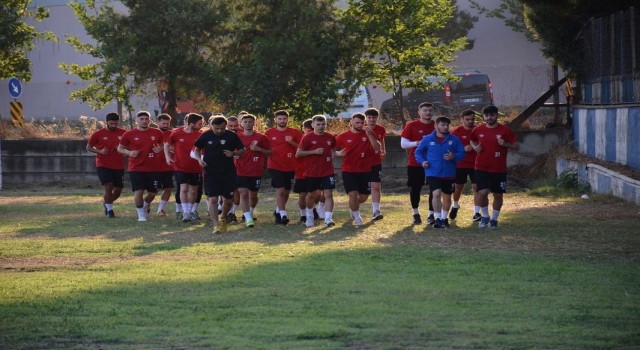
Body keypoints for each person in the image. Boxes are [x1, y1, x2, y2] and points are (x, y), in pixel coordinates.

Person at [470, 105, 520, 228]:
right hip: (481, 167)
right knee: (483, 192)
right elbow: (472, 140)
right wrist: (475, 147)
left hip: (499, 168)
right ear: (483, 117)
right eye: (487, 115)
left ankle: (494, 219)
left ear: (497, 115)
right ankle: (485, 217)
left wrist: (505, 144)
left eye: (492, 115)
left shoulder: (505, 131)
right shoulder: (478, 130)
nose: (489, 117)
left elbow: (516, 146)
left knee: (498, 195)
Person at [193, 115, 245, 234]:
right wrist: (199, 160)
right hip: (211, 172)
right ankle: (215, 225)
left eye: (222, 128)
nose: (219, 131)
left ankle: (223, 218)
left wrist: (233, 153)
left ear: (225, 126)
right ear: (212, 126)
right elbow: (196, 149)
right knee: (213, 199)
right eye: (217, 128)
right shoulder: (206, 135)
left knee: (228, 200)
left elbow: (243, 149)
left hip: (228, 172)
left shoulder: (232, 136)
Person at [415, 116, 465, 228]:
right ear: (436, 126)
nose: (445, 127)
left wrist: (454, 156)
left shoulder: (454, 139)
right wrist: (422, 162)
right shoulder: (427, 139)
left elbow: (461, 153)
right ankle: (437, 218)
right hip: (433, 172)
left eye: (447, 125)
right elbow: (418, 152)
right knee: (436, 194)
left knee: (447, 197)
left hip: (449, 172)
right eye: (442, 125)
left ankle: (444, 218)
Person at [117, 111, 165, 222]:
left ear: (150, 120)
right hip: (136, 167)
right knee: (139, 190)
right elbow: (120, 148)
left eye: (146, 119)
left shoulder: (157, 132)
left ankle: (145, 204)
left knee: (153, 192)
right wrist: (129, 153)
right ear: (136, 121)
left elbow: (162, 145)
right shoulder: (129, 134)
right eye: (141, 119)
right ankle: (141, 215)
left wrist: (159, 149)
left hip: (153, 168)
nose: (144, 121)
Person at [335, 113, 381, 226]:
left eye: (362, 122)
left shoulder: (369, 133)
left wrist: (369, 134)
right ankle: (357, 217)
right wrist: (338, 153)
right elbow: (330, 150)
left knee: (364, 197)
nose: (360, 125)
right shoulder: (343, 136)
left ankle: (353, 206)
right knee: (353, 194)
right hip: (348, 170)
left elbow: (377, 147)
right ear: (351, 122)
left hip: (365, 170)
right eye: (357, 122)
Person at [296, 115, 337, 227]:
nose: (321, 126)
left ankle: (328, 219)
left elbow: (333, 149)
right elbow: (298, 154)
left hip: (327, 171)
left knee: (328, 194)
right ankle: (309, 216)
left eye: (323, 124)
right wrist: (314, 152)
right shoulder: (307, 138)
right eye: (318, 124)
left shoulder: (330, 137)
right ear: (313, 125)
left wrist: (333, 154)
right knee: (311, 195)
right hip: (312, 172)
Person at [400, 102, 436, 225]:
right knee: (416, 189)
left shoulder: (437, 125)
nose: (428, 112)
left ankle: (431, 215)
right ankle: (415, 213)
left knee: (434, 189)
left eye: (430, 110)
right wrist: (417, 143)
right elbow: (403, 144)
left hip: (434, 163)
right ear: (419, 112)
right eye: (425, 110)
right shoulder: (412, 125)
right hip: (415, 163)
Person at [165, 113, 204, 223]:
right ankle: (186, 212)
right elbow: (166, 145)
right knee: (184, 188)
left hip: (196, 167)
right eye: (200, 123)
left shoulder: (201, 134)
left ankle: (191, 210)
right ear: (191, 124)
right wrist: (168, 157)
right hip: (180, 166)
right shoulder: (177, 133)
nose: (202, 125)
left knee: (193, 190)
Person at [265, 110, 303, 225]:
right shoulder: (269, 133)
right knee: (280, 191)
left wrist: (292, 142)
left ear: (287, 119)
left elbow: (301, 149)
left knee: (286, 192)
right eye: (280, 119)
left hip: (290, 166)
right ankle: (283, 215)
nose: (282, 121)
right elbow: (265, 149)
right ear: (275, 120)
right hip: (274, 166)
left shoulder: (295, 133)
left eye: (284, 119)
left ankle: (277, 211)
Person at [86, 112, 126, 218]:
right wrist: (100, 151)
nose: (114, 125)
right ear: (106, 122)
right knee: (108, 186)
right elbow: (88, 147)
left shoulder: (123, 133)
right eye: (112, 123)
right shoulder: (98, 134)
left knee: (118, 190)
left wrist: (122, 150)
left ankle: (106, 202)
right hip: (103, 164)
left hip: (118, 165)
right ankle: (110, 211)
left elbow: (129, 147)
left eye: (116, 123)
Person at [235, 114, 272, 227]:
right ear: (241, 123)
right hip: (240, 170)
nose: (247, 124)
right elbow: (231, 151)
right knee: (244, 194)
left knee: (253, 195)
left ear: (254, 123)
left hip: (255, 170)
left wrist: (258, 149)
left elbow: (270, 152)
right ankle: (248, 218)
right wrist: (234, 155)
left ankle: (250, 212)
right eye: (245, 122)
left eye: (250, 122)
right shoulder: (236, 137)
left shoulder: (262, 137)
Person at [450, 109, 481, 221]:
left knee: (476, 187)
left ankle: (477, 213)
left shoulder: (479, 130)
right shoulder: (456, 132)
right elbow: (449, 148)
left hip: (476, 164)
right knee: (458, 188)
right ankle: (455, 205)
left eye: (472, 119)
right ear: (462, 119)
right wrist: (462, 149)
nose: (470, 121)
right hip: (460, 164)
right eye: (467, 119)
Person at [364, 107, 386, 221]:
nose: (372, 120)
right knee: (361, 191)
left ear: (377, 118)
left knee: (376, 186)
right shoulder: (361, 129)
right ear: (366, 118)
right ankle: (354, 208)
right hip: (361, 162)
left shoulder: (381, 129)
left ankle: (376, 211)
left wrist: (383, 150)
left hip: (375, 161)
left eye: (374, 117)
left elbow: (381, 140)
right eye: (369, 117)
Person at [292, 119, 315, 223]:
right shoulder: (300, 139)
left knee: (317, 193)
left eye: (312, 130)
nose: (310, 132)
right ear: (304, 129)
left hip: (315, 171)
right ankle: (303, 214)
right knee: (302, 194)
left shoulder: (318, 139)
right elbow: (298, 153)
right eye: (308, 130)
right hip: (301, 171)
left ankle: (313, 209)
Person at [155, 113, 176, 218]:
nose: (165, 125)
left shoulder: (172, 134)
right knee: (154, 189)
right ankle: (145, 206)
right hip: (154, 166)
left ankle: (161, 209)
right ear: (157, 122)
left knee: (168, 188)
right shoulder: (152, 133)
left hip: (168, 166)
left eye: (167, 123)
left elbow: (177, 148)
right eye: (163, 123)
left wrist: (170, 149)